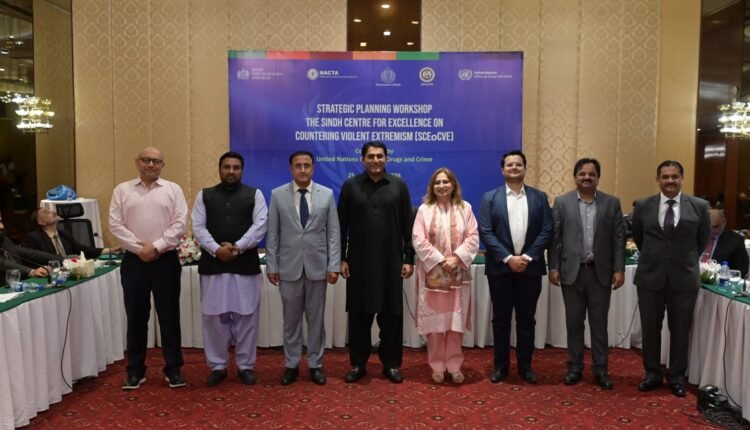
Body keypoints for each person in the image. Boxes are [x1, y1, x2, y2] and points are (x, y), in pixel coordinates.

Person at [109, 147, 188, 390]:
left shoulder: (173, 189)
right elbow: (115, 225)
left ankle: (173, 369)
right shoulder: (122, 190)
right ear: (137, 162)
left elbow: (180, 224)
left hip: (166, 260)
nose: (151, 164)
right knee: (135, 318)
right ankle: (135, 371)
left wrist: (157, 247)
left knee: (169, 317)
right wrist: (140, 249)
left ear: (163, 164)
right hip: (134, 262)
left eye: (156, 161)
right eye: (146, 160)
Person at [338, 141, 415, 384]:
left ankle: (391, 364)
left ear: (386, 159)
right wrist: (341, 258)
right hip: (358, 262)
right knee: (359, 316)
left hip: (391, 262)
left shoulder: (398, 186)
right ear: (362, 160)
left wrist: (409, 258)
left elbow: (408, 226)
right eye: (370, 156)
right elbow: (340, 226)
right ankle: (358, 363)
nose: (375, 160)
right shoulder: (350, 186)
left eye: (380, 156)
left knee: (391, 316)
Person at [632, 160, 710, 397]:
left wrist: (681, 259)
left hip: (683, 278)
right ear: (658, 180)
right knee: (650, 329)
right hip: (650, 277)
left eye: (675, 176)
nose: (670, 181)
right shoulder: (643, 205)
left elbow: (702, 240)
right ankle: (652, 374)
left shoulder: (699, 206)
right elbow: (639, 238)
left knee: (680, 330)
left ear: (682, 179)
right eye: (665, 177)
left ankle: (676, 376)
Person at [548, 158, 625, 389]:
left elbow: (618, 239)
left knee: (599, 325)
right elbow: (555, 238)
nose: (587, 177)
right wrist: (553, 267)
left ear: (598, 177)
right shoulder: (562, 203)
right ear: (575, 177)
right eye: (582, 174)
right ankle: (574, 367)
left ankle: (601, 369)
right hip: (572, 273)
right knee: (574, 324)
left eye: (592, 174)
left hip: (600, 273)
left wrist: (619, 269)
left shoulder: (612, 203)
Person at [192, 151, 267, 387]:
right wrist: (217, 250)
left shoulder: (255, 194)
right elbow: (198, 227)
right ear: (219, 169)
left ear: (242, 170)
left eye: (236, 167)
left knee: (247, 318)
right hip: (213, 265)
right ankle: (218, 366)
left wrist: (237, 247)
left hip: (245, 265)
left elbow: (260, 225)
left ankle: (245, 366)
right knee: (214, 318)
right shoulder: (204, 195)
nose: (231, 171)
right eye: (227, 167)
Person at [266, 150, 340, 386]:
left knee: (316, 320)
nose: (302, 169)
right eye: (298, 165)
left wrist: (334, 265)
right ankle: (291, 364)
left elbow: (333, 234)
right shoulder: (277, 195)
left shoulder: (327, 195)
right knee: (291, 321)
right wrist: (272, 265)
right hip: (289, 268)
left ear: (313, 168)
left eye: (307, 165)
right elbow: (273, 234)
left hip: (318, 267)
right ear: (291, 169)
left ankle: (316, 364)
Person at [479, 149, 552, 384]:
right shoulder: (490, 198)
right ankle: (501, 367)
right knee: (500, 320)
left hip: (530, 269)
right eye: (509, 165)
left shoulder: (539, 197)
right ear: (502, 170)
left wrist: (527, 257)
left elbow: (547, 230)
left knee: (526, 319)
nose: (514, 168)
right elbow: (486, 232)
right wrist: (509, 258)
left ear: (525, 168)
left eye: (518, 164)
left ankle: (525, 366)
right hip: (500, 269)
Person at [412, 167, 478, 384]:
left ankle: (454, 365)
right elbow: (418, 239)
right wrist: (441, 260)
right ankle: (437, 366)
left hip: (457, 274)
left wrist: (456, 258)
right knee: (435, 326)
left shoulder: (465, 208)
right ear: (432, 187)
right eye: (437, 182)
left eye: (445, 182)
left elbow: (473, 237)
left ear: (453, 185)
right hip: (432, 275)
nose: (442, 186)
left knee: (454, 324)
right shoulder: (424, 210)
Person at [22, 207, 119, 259]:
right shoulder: (33, 238)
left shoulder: (63, 234)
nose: (54, 212)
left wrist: (109, 250)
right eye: (47, 212)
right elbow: (37, 259)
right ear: (41, 222)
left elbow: (83, 250)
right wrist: (67, 261)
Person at [0, 210, 59, 280]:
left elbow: (30, 253)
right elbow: (2, 263)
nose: (2, 226)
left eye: (1, 221)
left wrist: (63, 259)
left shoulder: (4, 239)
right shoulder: (33, 236)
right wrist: (31, 271)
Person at [703, 208, 748, 277]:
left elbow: (742, 271)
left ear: (724, 223)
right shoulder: (696, 235)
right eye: (708, 226)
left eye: (715, 227)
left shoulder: (735, 241)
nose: (711, 230)